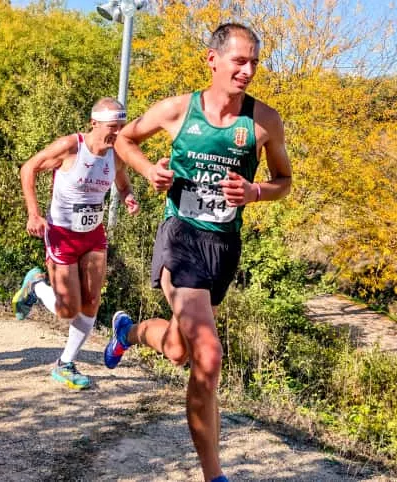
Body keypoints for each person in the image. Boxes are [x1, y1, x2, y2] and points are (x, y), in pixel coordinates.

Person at [103, 24, 293, 482]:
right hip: (181, 235)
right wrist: (150, 170)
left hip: (223, 244)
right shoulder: (177, 110)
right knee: (207, 355)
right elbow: (125, 140)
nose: (247, 70)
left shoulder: (264, 121)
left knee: (178, 351)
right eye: (239, 61)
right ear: (213, 60)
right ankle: (214, 476)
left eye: (254, 63)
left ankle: (128, 332)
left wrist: (254, 192)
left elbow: (284, 183)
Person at [11, 97, 139, 390]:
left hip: (93, 235)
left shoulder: (117, 153)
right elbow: (28, 168)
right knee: (68, 310)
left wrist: (128, 196)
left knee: (92, 300)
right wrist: (33, 213)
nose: (117, 134)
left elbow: (121, 180)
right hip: (62, 235)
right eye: (112, 127)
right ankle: (36, 286)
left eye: (121, 127)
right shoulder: (71, 147)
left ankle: (65, 364)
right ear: (94, 123)